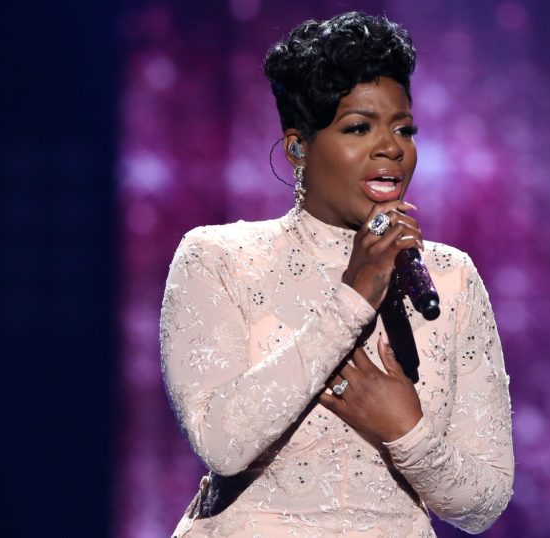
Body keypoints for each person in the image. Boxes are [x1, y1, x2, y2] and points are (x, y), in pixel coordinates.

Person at [160, 11, 514, 537]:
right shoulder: (218, 258)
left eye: (403, 128)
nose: (391, 147)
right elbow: (223, 443)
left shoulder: (451, 278)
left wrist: (405, 431)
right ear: (298, 147)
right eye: (358, 127)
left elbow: (485, 501)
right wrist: (353, 296)